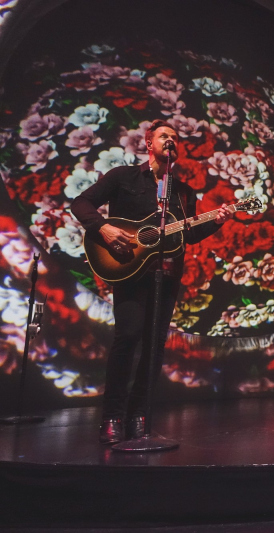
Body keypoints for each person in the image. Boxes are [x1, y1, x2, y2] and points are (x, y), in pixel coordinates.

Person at [70, 120, 234, 444]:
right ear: (149, 142)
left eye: (176, 137)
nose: (171, 140)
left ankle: (139, 417)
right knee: (128, 337)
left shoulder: (184, 193)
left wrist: (216, 221)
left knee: (155, 347)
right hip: (129, 272)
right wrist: (102, 228)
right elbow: (81, 203)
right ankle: (112, 416)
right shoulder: (123, 177)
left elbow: (188, 233)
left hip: (167, 276)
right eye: (165, 136)